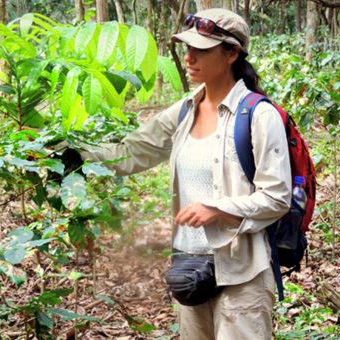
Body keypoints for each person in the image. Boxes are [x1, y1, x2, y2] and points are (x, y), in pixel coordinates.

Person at [75, 8, 291, 339]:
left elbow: (277, 198)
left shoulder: (260, 116)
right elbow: (130, 152)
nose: (189, 58)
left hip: (241, 271)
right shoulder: (184, 111)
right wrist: (65, 153)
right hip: (189, 269)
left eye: (201, 50)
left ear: (231, 53)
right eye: (186, 48)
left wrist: (218, 209)